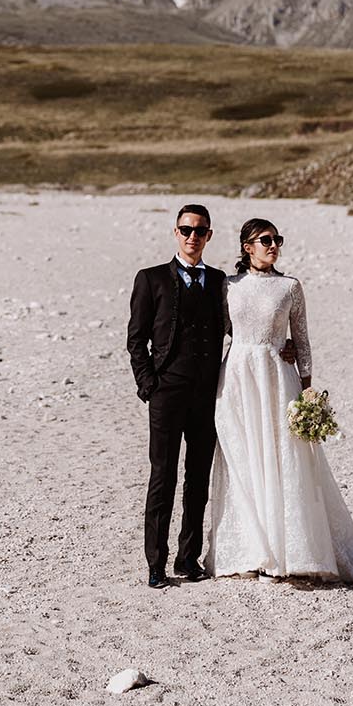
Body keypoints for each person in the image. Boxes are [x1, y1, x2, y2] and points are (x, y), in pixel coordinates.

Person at [203, 217, 353, 583]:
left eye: (276, 239)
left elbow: (303, 338)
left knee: (285, 460)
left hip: (278, 380)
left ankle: (292, 551)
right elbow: (216, 334)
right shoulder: (228, 286)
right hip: (237, 379)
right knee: (243, 459)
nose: (273, 245)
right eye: (265, 240)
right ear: (247, 247)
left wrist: (308, 388)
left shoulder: (289, 287)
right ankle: (249, 552)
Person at [126, 204, 228, 588]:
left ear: (209, 236)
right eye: (186, 230)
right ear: (175, 232)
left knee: (197, 480)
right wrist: (148, 384)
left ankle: (188, 558)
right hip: (166, 393)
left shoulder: (219, 281)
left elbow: (246, 324)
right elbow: (136, 339)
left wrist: (284, 346)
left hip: (206, 396)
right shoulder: (150, 279)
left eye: (200, 231)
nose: (192, 237)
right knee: (162, 478)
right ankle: (156, 562)